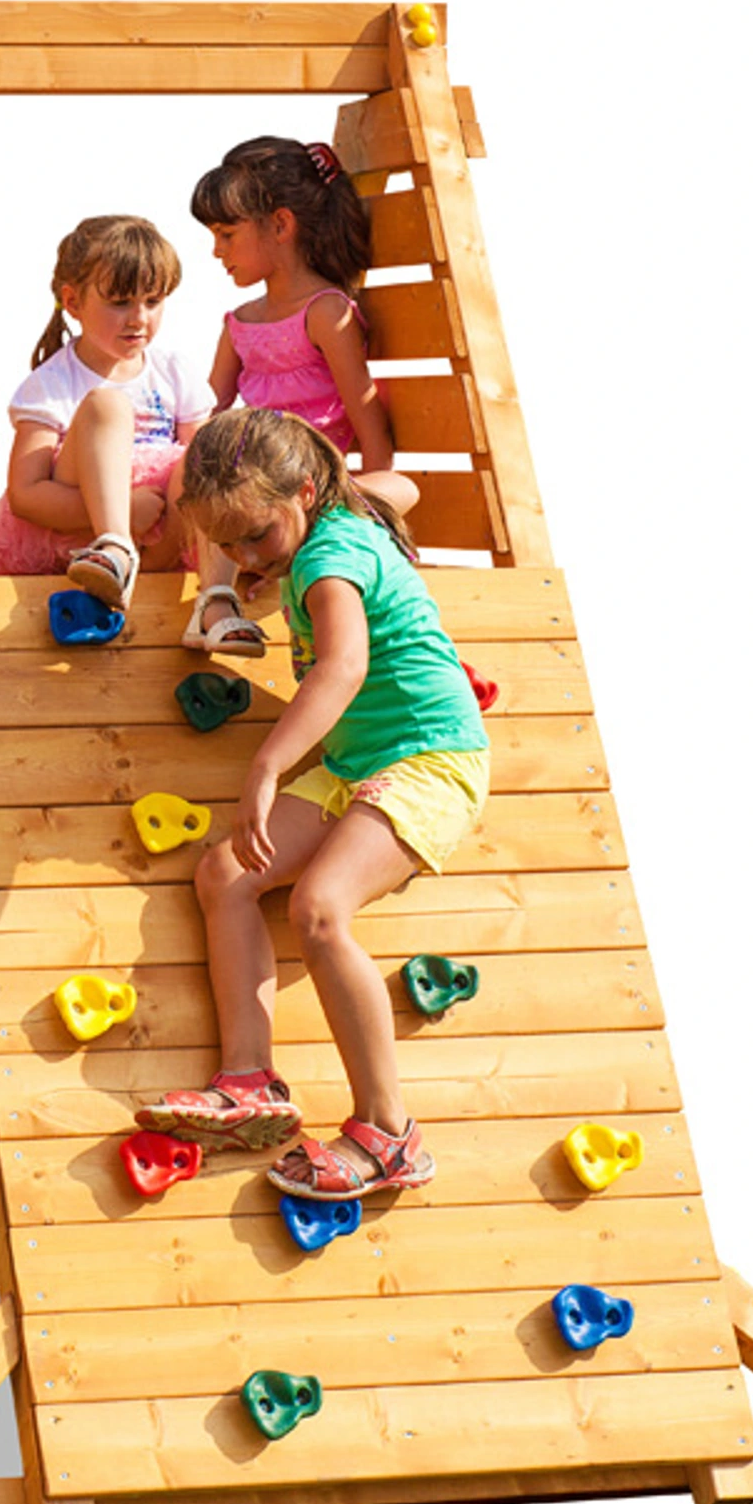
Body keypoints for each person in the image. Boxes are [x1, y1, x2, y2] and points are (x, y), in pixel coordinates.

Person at [131, 408, 489, 1199]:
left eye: (257, 535)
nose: (246, 557)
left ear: (302, 490)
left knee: (320, 910)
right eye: (228, 546)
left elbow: (343, 667)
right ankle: (248, 1079)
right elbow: (391, 492)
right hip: (358, 763)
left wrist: (267, 766)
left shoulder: (330, 556)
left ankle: (390, 1136)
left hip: (430, 757)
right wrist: (256, 569)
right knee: (226, 874)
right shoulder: (320, 523)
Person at [180, 134, 417, 656]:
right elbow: (204, 418)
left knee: (399, 488)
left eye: (226, 234)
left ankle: (278, 544)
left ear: (281, 225)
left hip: (321, 493)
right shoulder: (240, 324)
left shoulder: (326, 313)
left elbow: (371, 429)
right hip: (255, 488)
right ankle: (217, 601)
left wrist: (371, 531)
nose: (217, 251)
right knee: (205, 472)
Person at [0, 215, 214, 623]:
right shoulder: (53, 384)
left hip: (166, 531)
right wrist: (124, 511)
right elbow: (25, 493)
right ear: (73, 302)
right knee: (107, 406)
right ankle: (115, 547)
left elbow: (204, 467)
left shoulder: (173, 371)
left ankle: (167, 571)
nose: (139, 318)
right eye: (120, 302)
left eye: (153, 301)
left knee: (211, 449)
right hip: (80, 534)